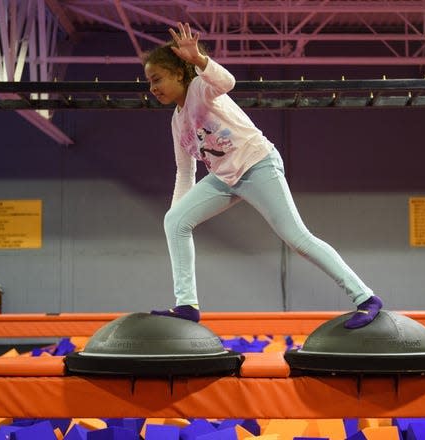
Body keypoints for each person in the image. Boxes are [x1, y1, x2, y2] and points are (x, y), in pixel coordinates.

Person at [144, 23, 383, 329]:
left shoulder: (201, 89)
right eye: (149, 82)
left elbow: (227, 81)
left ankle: (366, 298)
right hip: (225, 178)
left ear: (179, 73)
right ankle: (186, 305)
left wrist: (200, 60)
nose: (152, 88)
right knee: (174, 221)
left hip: (257, 164)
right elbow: (185, 171)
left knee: (297, 238)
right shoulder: (177, 122)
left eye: (156, 79)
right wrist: (179, 211)